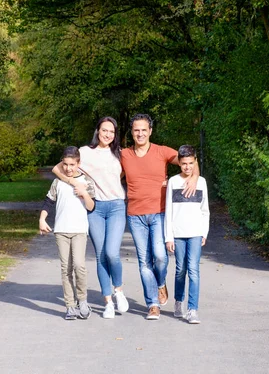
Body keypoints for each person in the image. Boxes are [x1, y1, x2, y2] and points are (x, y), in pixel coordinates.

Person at [120, 113, 199, 320]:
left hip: (159, 213)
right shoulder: (124, 155)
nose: (140, 133)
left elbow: (189, 161)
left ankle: (161, 283)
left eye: (144, 130)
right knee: (144, 261)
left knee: (161, 257)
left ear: (150, 131)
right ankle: (152, 304)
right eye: (136, 130)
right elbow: (109, 174)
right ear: (132, 131)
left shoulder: (162, 151)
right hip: (135, 215)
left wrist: (195, 178)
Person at [52, 117, 129, 319]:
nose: (108, 134)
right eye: (104, 130)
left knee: (112, 253)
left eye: (112, 132)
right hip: (95, 208)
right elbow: (57, 168)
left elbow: (132, 174)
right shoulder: (84, 152)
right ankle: (107, 302)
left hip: (116, 206)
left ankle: (118, 291)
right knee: (102, 254)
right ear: (98, 131)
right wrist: (72, 182)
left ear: (115, 134)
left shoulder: (119, 154)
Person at [40, 146, 96, 320]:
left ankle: (83, 300)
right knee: (66, 268)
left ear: (79, 164)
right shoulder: (58, 182)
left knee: (79, 266)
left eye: (72, 164)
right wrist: (42, 219)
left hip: (79, 230)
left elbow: (91, 207)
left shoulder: (86, 181)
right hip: (61, 231)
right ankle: (70, 306)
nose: (69, 168)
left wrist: (84, 194)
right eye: (65, 164)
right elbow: (48, 201)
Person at [165, 145, 210, 324]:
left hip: (195, 233)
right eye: (184, 164)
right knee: (180, 270)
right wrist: (169, 236)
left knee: (194, 270)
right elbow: (168, 210)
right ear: (179, 164)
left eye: (191, 163)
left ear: (195, 162)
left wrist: (204, 232)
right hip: (178, 233)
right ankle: (178, 301)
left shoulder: (202, 182)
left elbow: (205, 210)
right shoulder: (174, 182)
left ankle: (192, 309)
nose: (187, 167)